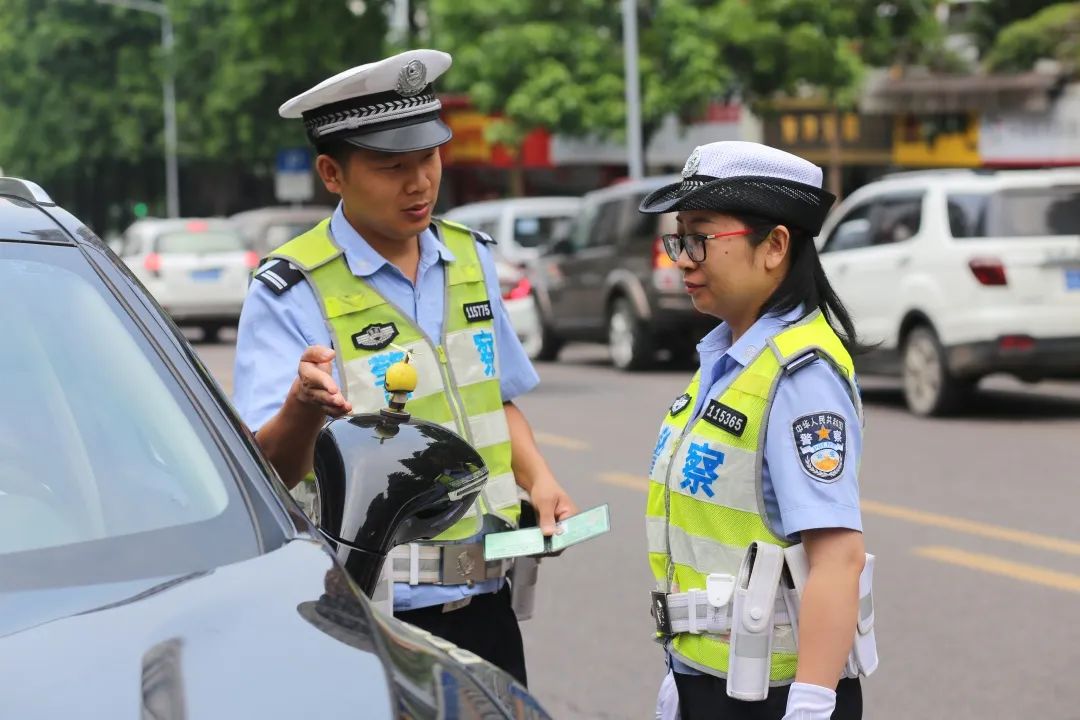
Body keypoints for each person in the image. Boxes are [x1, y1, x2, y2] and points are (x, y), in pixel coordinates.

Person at [232, 49, 577, 686]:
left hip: (488, 606)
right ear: (332, 173)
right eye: (393, 168)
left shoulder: (471, 260)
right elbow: (269, 469)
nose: (419, 183)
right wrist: (301, 408)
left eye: (429, 159)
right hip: (370, 613)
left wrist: (542, 479)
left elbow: (494, 401)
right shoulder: (293, 288)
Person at [641, 141, 877, 720]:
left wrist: (813, 706)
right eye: (678, 238)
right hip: (711, 682)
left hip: (770, 699)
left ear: (774, 246)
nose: (683, 259)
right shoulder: (729, 358)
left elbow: (837, 559)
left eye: (701, 237)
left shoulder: (800, 374)